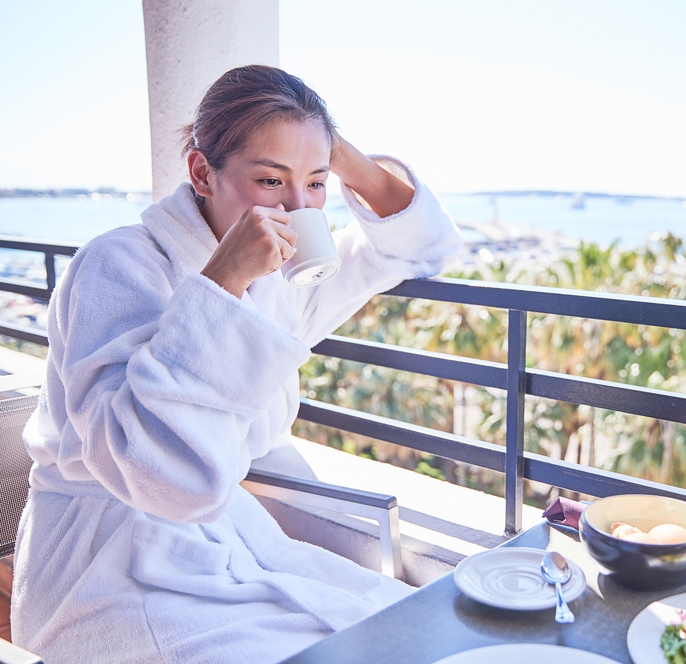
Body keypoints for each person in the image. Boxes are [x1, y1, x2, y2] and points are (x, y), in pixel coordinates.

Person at [10, 65, 463, 664]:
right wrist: (222, 283)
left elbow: (424, 245)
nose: (298, 207)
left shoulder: (278, 283)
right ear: (202, 172)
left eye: (316, 184)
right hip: (104, 564)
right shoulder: (117, 266)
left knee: (406, 632)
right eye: (271, 179)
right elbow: (157, 477)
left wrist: (330, 150)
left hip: (223, 537)